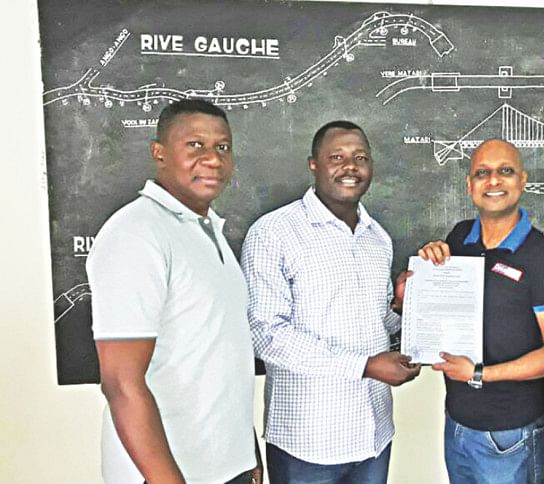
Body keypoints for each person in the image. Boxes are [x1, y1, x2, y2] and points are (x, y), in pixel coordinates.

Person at [87, 99, 261, 484]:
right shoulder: (137, 234)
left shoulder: (207, 230)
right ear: (159, 153)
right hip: (166, 473)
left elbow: (221, 354)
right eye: (195, 145)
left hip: (225, 466)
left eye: (223, 147)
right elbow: (121, 383)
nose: (213, 158)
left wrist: (247, 451)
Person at [241, 120, 421, 484]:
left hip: (373, 434)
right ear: (314, 164)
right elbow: (265, 334)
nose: (350, 166)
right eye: (336, 157)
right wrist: (365, 366)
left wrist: (402, 308)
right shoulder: (273, 232)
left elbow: (378, 322)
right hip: (308, 443)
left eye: (360, 157)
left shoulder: (377, 238)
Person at [417, 138, 544, 484]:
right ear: (469, 184)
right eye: (482, 173)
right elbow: (441, 311)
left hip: (511, 434)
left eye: (505, 171)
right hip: (457, 424)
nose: (493, 181)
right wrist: (419, 278)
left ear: (523, 180)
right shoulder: (458, 239)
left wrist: (479, 374)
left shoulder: (543, 258)